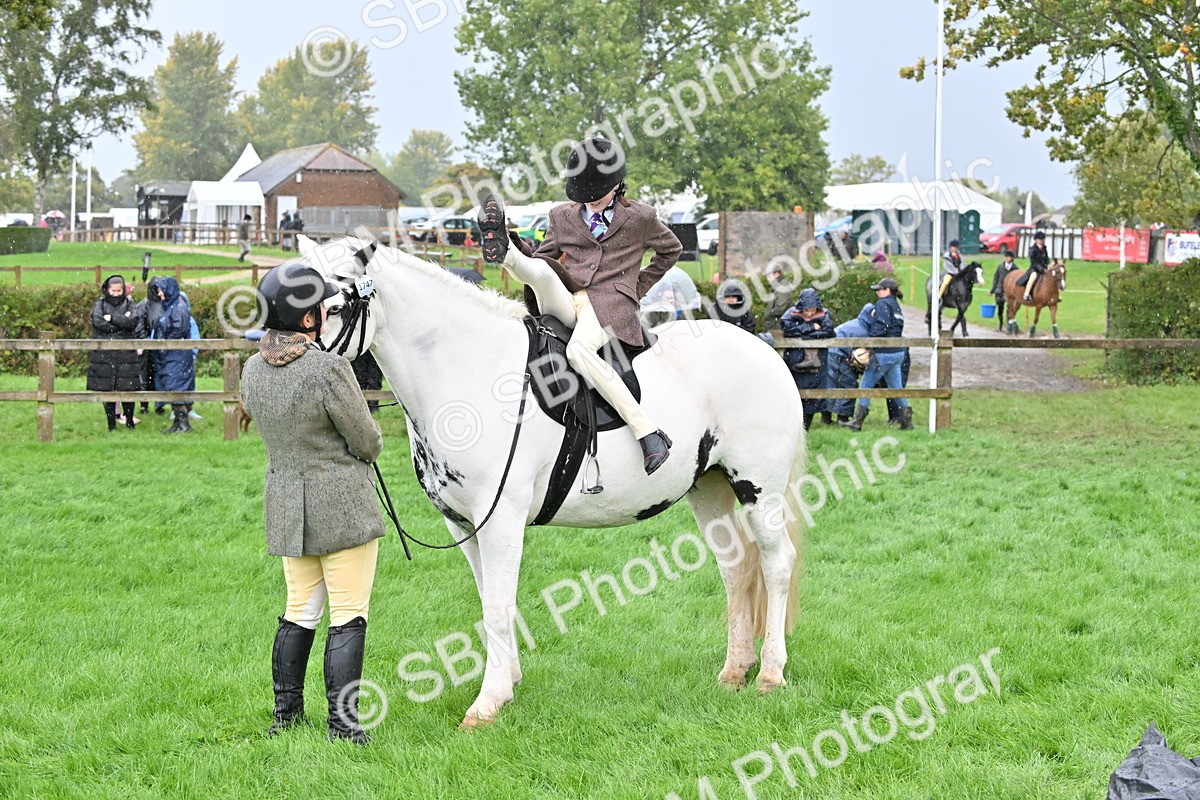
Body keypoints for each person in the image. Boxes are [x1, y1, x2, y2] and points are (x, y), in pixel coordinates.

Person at [240, 262, 384, 745]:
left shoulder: (252, 368)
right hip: (339, 505)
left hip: (285, 504)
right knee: (348, 613)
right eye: (319, 305)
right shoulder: (329, 369)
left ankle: (286, 716)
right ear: (307, 319)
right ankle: (344, 725)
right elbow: (366, 441)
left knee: (299, 609)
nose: (325, 310)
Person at [477, 138, 681, 474]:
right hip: (568, 294)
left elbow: (670, 251)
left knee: (578, 352)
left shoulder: (642, 217)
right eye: (582, 197)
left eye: (596, 196)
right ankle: (505, 245)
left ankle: (648, 432)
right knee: (541, 271)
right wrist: (526, 248)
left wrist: (635, 287)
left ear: (617, 185)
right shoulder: (561, 215)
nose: (589, 202)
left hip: (611, 303)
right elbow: (545, 257)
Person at [840, 277, 912, 431]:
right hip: (898, 353)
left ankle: (857, 421)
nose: (877, 292)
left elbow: (881, 326)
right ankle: (907, 420)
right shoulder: (895, 306)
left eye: (879, 289)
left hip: (883, 354)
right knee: (896, 389)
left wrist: (869, 343)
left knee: (865, 385)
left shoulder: (882, 304)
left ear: (887, 290)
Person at [87, 275, 141, 431]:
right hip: (105, 354)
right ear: (107, 289)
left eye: (119, 290)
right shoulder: (100, 304)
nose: (116, 294)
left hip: (126, 354)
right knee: (108, 389)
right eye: (113, 290)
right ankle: (111, 424)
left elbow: (133, 322)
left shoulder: (130, 303)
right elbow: (98, 322)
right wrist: (120, 324)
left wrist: (111, 319)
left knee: (128, 388)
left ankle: (130, 421)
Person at [781, 288, 835, 430]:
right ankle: (793, 428)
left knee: (812, 399)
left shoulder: (825, 314)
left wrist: (806, 334)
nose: (810, 313)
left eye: (812, 310)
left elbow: (829, 332)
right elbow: (788, 330)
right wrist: (812, 327)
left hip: (817, 364)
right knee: (795, 396)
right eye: (806, 310)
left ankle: (805, 429)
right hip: (795, 362)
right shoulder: (790, 314)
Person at [150, 277, 195, 433]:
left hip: (177, 356)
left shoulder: (179, 308)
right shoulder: (169, 307)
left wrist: (164, 343)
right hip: (169, 356)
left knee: (177, 387)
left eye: (162, 290)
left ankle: (184, 424)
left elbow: (179, 331)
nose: (160, 294)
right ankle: (178, 423)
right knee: (172, 387)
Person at [135, 276, 166, 414]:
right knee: (145, 376)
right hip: (146, 348)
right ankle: (144, 404)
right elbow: (138, 324)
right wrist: (146, 340)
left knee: (161, 376)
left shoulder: (167, 304)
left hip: (162, 348)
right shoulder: (144, 305)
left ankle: (160, 404)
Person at [991, 249, 1020, 332]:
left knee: (1009, 308)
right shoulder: (1000, 267)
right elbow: (996, 278)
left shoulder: (1015, 268)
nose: (1009, 259)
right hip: (999, 290)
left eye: (1010, 257)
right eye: (1007, 257)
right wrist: (992, 290)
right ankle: (1000, 324)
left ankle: (1008, 325)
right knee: (1000, 310)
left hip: (1009, 292)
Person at [1020, 230, 1050, 301]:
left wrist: (1048, 266)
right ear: (1036, 240)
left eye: (1043, 239)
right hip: (1034, 269)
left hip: (1043, 268)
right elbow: (1034, 262)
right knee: (1033, 276)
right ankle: (1026, 294)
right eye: (1040, 239)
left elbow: (1046, 259)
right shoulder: (1033, 250)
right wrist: (1041, 269)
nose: (1042, 241)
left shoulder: (1044, 249)